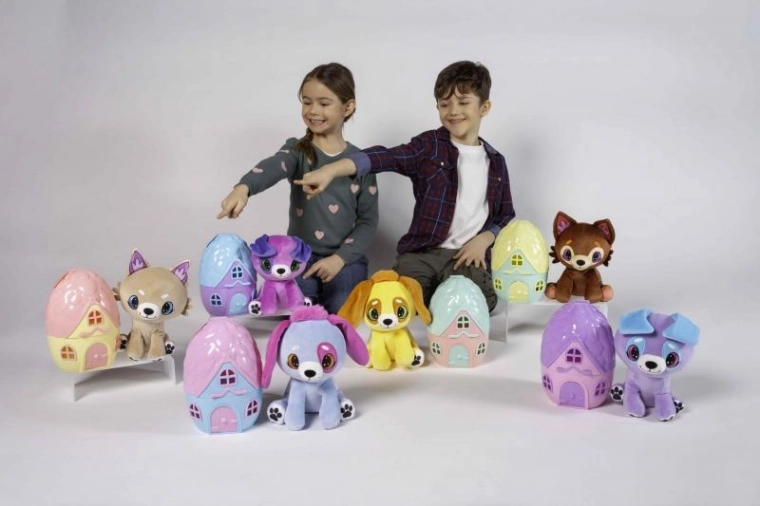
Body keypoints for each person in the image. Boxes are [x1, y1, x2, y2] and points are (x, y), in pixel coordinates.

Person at [296, 61, 515, 312]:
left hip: (465, 256)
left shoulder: (496, 162)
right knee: (400, 301)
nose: (453, 111)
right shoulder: (428, 147)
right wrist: (332, 169)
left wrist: (484, 239)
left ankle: (447, 301)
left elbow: (505, 214)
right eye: (445, 104)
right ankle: (436, 300)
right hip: (423, 253)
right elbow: (385, 157)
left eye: (463, 102)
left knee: (481, 300)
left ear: (484, 107)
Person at [217, 63, 379, 314]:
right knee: (294, 309)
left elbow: (368, 222)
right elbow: (274, 166)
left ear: (347, 107)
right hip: (298, 257)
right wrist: (244, 188)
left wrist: (340, 259)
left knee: (342, 309)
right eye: (306, 102)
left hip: (346, 258)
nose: (313, 111)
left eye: (324, 103)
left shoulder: (360, 163)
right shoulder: (297, 151)